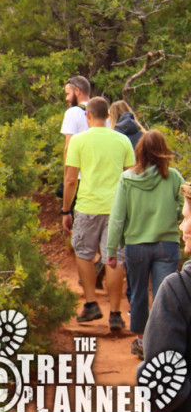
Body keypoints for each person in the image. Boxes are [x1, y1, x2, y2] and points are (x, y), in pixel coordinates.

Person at [105, 130, 184, 359]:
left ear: (139, 150)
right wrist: (173, 215)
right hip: (166, 245)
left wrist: (112, 250)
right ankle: (162, 343)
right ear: (163, 150)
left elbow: (118, 217)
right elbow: (184, 204)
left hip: (135, 246)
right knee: (164, 295)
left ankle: (141, 341)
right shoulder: (174, 177)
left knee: (138, 293)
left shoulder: (127, 178)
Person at [62, 96, 135, 329]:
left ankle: (92, 304)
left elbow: (71, 179)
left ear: (88, 116)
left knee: (84, 253)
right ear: (108, 116)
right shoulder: (122, 140)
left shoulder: (79, 141)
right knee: (114, 258)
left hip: (87, 207)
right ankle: (115, 313)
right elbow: (132, 176)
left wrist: (65, 210)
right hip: (117, 209)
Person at [139, 182, 191, 412]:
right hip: (164, 250)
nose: (184, 227)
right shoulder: (171, 175)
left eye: (186, 218)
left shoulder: (179, 290)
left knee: (139, 293)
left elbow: (159, 393)